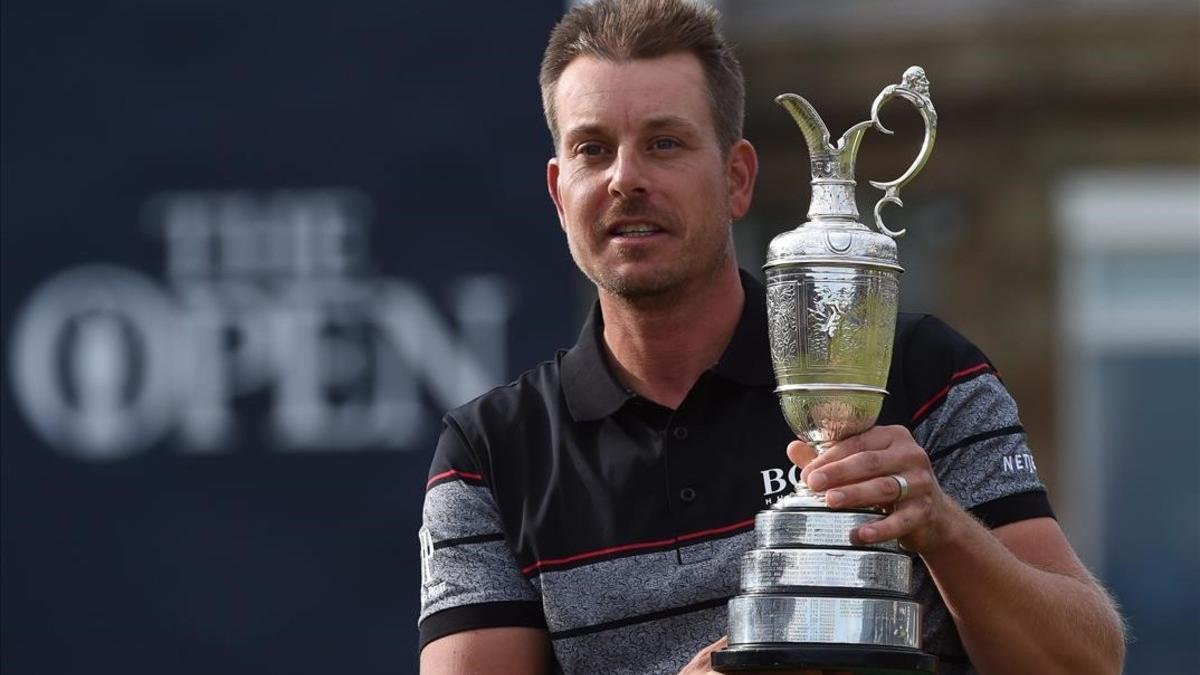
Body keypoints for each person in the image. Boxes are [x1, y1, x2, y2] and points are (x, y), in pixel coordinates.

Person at [416, 1, 1125, 673]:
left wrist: (939, 524)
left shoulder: (921, 373)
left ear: (737, 178)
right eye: (593, 149)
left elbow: (1088, 661)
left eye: (664, 143)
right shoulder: (488, 457)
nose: (625, 179)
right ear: (556, 192)